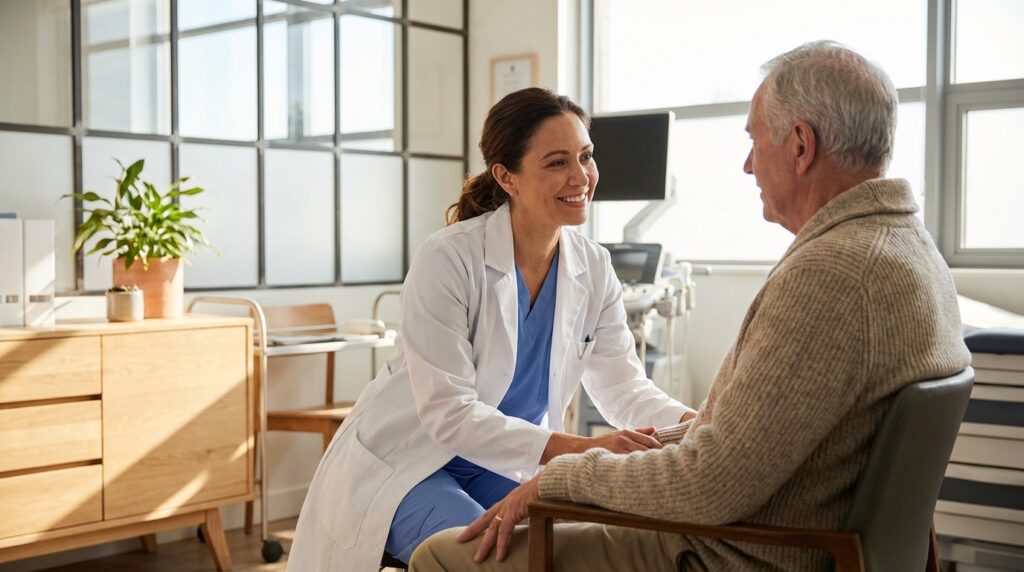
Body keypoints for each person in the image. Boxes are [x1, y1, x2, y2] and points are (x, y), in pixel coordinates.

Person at [409, 41, 971, 572]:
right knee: (480, 536)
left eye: (755, 141)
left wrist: (568, 474)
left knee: (443, 557)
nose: (747, 165)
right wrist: (686, 433)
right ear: (506, 177)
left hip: (733, 551)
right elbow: (739, 449)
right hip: (421, 458)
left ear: (800, 146)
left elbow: (707, 478)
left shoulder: (834, 272)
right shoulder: (910, 252)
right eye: (557, 162)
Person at [286, 87, 695, 571]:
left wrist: (696, 424)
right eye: (557, 162)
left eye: (586, 157)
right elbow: (450, 415)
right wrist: (583, 450)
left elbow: (623, 388)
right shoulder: (449, 258)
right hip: (408, 465)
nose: (580, 176)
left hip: (500, 462)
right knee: (497, 561)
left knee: (574, 547)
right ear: (506, 177)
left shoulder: (594, 266)